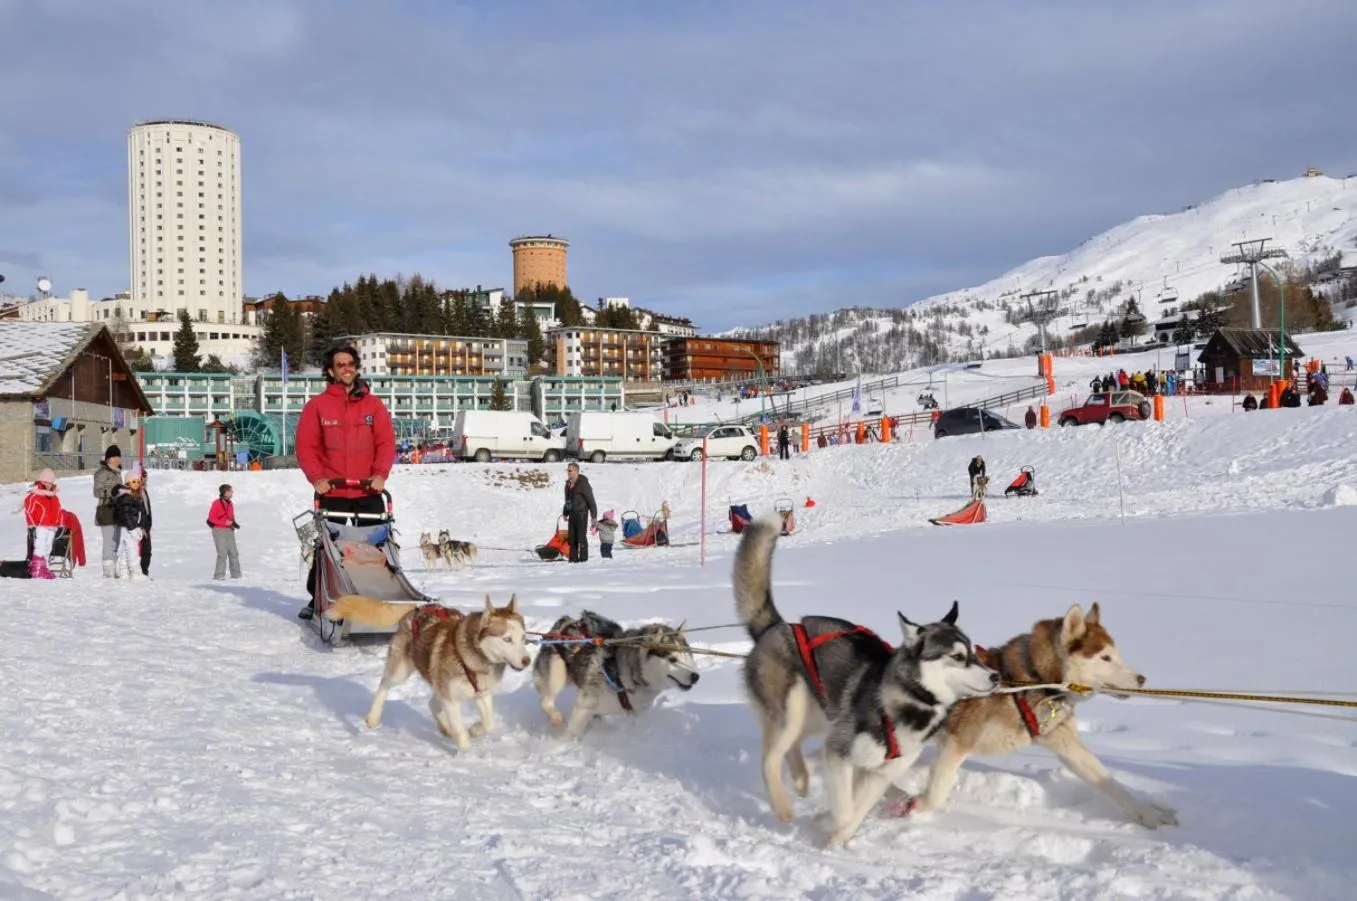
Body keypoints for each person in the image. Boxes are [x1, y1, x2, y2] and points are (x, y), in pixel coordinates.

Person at [294, 344, 396, 618]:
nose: (346, 368)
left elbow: (386, 443)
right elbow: (306, 447)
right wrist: (317, 479)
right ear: (330, 371)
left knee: (375, 546)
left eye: (350, 363)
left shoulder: (373, 405)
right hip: (333, 490)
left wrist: (380, 474)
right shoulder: (317, 407)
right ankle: (318, 599)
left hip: (367, 489)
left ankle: (377, 596)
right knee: (327, 548)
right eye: (340, 365)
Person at [23, 468, 63, 580]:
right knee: (40, 545)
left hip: (52, 525)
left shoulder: (53, 496)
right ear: (41, 481)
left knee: (48, 546)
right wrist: (32, 524)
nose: (49, 485)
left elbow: (58, 509)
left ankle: (43, 567)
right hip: (40, 525)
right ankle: (36, 569)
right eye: (46, 482)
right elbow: (29, 511)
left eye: (50, 483)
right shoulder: (35, 495)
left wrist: (58, 521)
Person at [111, 470, 150, 580]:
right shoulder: (125, 497)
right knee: (132, 549)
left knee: (125, 549)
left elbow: (139, 514)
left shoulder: (135, 496)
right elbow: (125, 514)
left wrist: (141, 527)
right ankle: (134, 572)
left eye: (138, 481)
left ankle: (123, 572)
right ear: (128, 483)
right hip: (127, 527)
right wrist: (132, 528)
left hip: (132, 527)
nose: (136, 484)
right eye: (133, 481)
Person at [93, 445, 123, 578]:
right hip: (106, 509)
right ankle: (108, 570)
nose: (117, 459)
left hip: (117, 510)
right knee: (109, 540)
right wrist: (113, 491)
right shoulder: (102, 473)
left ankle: (115, 567)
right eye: (114, 457)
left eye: (118, 457)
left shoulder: (118, 473)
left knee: (116, 540)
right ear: (108, 458)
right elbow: (97, 492)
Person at [563, 462, 597, 563]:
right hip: (572, 515)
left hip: (582, 514)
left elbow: (591, 500)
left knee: (581, 537)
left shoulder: (583, 484)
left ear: (576, 471)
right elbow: (568, 501)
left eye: (570, 470)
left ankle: (583, 559)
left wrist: (593, 516)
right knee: (572, 538)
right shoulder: (568, 484)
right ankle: (573, 558)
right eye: (567, 470)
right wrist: (565, 512)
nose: (568, 472)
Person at [207, 483, 242, 580]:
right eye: (230, 491)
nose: (232, 493)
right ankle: (219, 575)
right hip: (218, 530)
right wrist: (224, 522)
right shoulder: (216, 503)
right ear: (225, 492)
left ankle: (236, 575)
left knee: (234, 553)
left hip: (229, 530)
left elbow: (230, 517)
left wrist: (234, 523)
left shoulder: (230, 504)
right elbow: (211, 518)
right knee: (222, 553)